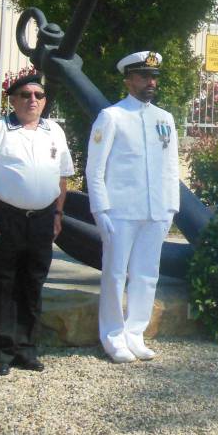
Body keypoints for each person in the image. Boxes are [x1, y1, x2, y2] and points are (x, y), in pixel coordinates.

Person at [0, 74, 73, 376]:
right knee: (2, 283)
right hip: (6, 217)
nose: (33, 100)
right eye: (25, 95)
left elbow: (62, 179)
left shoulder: (54, 131)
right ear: (12, 100)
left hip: (43, 218)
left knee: (33, 282)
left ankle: (26, 350)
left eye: (39, 95)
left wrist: (57, 214)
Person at [87, 51, 179, 363]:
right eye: (143, 76)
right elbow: (95, 170)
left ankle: (135, 333)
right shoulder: (111, 117)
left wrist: (171, 209)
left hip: (155, 211)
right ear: (128, 80)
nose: (150, 82)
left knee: (146, 275)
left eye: (153, 77)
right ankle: (113, 337)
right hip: (121, 211)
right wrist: (100, 211)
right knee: (114, 275)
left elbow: (171, 168)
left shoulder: (164, 119)